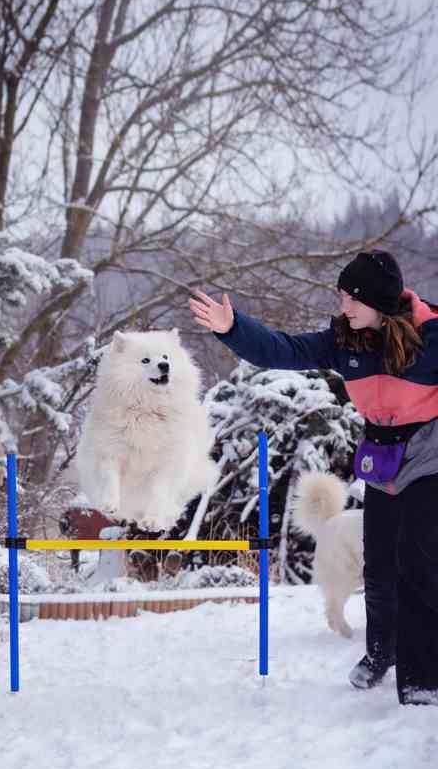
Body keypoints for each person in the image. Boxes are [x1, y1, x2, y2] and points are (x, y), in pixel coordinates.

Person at [188, 250, 438, 706]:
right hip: (382, 453)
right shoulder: (346, 339)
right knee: (379, 564)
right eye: (341, 296)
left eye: (352, 298)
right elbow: (284, 349)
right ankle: (380, 653)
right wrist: (232, 329)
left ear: (380, 300)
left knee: (418, 558)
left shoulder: (433, 334)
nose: (344, 306)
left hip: (430, 451)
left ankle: (423, 677)